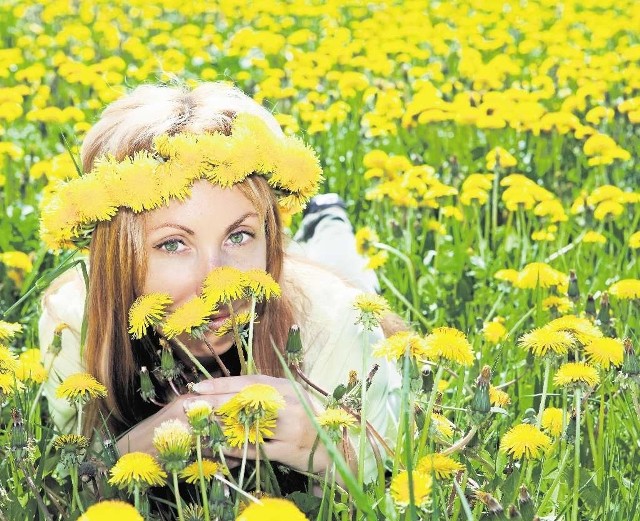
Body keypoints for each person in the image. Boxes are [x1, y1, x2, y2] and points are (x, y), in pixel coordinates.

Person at [38, 82, 400, 484]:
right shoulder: (73, 321)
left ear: (269, 238)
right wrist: (133, 448)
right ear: (116, 257)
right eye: (173, 243)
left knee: (347, 267)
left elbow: (385, 469)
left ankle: (327, 217)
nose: (216, 283)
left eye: (239, 235)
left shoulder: (338, 326)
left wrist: (330, 450)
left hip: (313, 292)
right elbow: (74, 474)